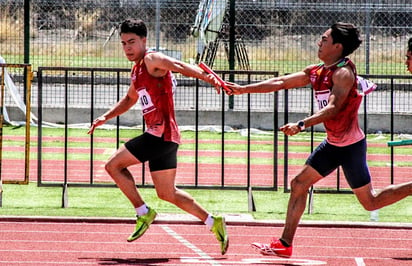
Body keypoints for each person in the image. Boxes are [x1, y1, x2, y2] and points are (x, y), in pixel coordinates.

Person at [226, 22, 412, 258]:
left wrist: (302, 124)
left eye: (324, 39)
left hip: (351, 147)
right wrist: (243, 90)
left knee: (370, 203)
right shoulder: (316, 71)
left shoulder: (343, 73)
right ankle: (285, 243)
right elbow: (281, 82)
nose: (318, 42)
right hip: (332, 145)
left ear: (337, 46)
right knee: (298, 184)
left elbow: (333, 109)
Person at [88, 19, 229, 255]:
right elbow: (130, 100)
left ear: (144, 41)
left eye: (132, 42)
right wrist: (105, 117)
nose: (127, 48)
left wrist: (209, 78)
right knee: (167, 193)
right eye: (123, 43)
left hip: (159, 135)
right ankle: (212, 222)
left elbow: (176, 64)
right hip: (168, 138)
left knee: (113, 166)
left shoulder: (152, 59)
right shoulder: (137, 70)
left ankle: (143, 213)